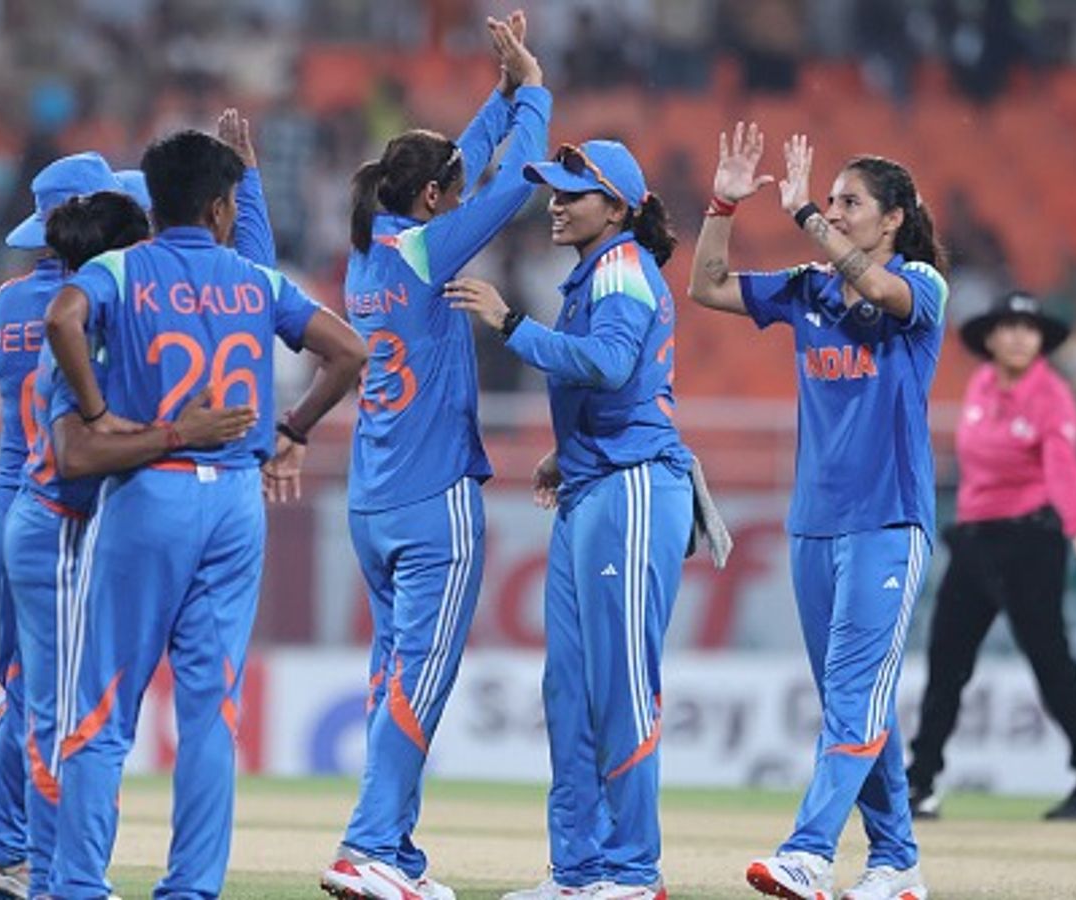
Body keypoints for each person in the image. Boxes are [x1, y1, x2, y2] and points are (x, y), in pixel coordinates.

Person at [43, 128, 365, 900]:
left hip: (151, 486)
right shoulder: (256, 281)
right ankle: (191, 888)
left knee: (101, 708)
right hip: (233, 501)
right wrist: (292, 429)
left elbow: (61, 319)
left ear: (155, 203)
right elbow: (350, 352)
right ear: (223, 208)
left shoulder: (121, 268)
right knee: (210, 710)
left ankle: (80, 885)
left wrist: (95, 411)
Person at [319, 13, 549, 900]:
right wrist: (533, 91)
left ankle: (395, 852)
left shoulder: (370, 252)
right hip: (433, 499)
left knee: (393, 677)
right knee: (421, 682)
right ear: (429, 203)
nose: (457, 202)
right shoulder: (427, 246)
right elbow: (513, 186)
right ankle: (369, 848)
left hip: (373, 500)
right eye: (447, 195)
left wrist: (494, 99)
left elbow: (457, 170)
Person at [688, 123, 948, 900]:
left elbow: (875, 289)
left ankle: (809, 851)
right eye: (830, 200)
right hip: (814, 524)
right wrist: (723, 205)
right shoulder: (806, 288)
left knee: (854, 696)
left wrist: (802, 213)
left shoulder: (924, 283)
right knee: (855, 702)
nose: (834, 210)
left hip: (888, 520)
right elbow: (706, 285)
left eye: (850, 201)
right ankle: (897, 863)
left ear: (893, 217)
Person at [445, 139, 692, 900]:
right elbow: (616, 376)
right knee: (571, 687)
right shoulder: (596, 271)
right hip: (596, 483)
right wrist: (570, 449)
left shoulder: (618, 265)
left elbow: (613, 363)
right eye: (552, 191)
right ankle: (580, 870)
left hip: (633, 487)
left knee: (617, 684)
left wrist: (510, 323)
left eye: (572, 193)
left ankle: (631, 870)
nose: (555, 203)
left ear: (617, 208)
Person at [0, 149, 129, 900]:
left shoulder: (8, 301)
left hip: (9, 496)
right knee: (51, 693)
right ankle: (15, 846)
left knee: (25, 682)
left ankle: (4, 840)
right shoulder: (95, 304)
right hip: (61, 504)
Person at [906, 291, 1076, 821]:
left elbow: (1061, 466)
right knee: (947, 663)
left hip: (1030, 540)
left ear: (1040, 340)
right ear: (990, 338)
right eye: (1008, 326)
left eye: (1028, 328)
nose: (1017, 336)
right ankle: (920, 783)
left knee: (1050, 661)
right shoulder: (981, 385)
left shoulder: (1051, 395)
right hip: (973, 541)